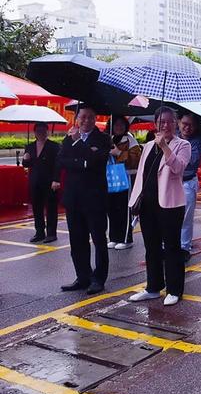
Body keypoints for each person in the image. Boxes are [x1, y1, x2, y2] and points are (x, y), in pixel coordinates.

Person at [128, 106, 191, 307]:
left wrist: (165, 147)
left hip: (170, 204)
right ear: (156, 124)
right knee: (151, 247)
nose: (166, 125)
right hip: (148, 203)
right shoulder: (147, 146)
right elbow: (142, 175)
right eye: (162, 121)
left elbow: (178, 168)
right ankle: (153, 287)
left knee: (172, 247)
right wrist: (135, 198)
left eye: (170, 121)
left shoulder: (183, 145)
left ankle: (174, 290)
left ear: (176, 123)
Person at [55, 106, 111, 294]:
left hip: (94, 198)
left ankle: (99, 278)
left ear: (95, 119)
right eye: (82, 117)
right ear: (77, 119)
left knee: (98, 239)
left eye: (90, 117)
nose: (86, 121)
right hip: (73, 197)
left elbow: (96, 161)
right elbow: (62, 160)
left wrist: (79, 146)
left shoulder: (103, 139)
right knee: (77, 240)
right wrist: (83, 162)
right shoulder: (68, 137)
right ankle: (83, 276)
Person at [106, 115, 141, 250]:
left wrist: (119, 152)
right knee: (112, 208)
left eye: (121, 124)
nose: (118, 127)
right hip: (111, 178)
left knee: (124, 209)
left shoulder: (130, 140)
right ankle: (114, 237)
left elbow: (136, 159)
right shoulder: (109, 139)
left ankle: (126, 239)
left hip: (126, 178)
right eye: (116, 125)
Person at [22, 123, 60, 243]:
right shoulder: (30, 146)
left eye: (43, 130)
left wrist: (56, 179)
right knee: (37, 208)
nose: (40, 133)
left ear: (47, 132)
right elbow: (26, 165)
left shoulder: (54, 147)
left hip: (49, 182)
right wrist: (25, 159)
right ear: (34, 132)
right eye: (38, 131)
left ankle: (51, 233)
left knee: (51, 207)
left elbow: (58, 165)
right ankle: (39, 232)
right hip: (35, 181)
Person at [178, 112, 201, 257]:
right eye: (185, 124)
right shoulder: (172, 137)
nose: (187, 128)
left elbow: (192, 160)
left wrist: (175, 155)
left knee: (186, 217)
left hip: (188, 182)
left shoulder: (197, 140)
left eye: (191, 125)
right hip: (172, 183)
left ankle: (184, 247)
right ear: (178, 123)